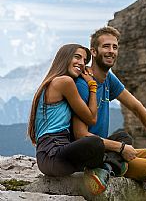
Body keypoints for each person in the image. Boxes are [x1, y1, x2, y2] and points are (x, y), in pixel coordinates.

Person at [73, 26, 146, 201]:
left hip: (108, 152)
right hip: (94, 156)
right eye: (106, 46)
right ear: (93, 51)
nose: (111, 51)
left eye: (115, 47)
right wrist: (121, 148)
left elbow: (137, 107)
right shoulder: (83, 84)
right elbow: (80, 135)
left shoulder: (108, 78)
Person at [27, 43, 112, 195]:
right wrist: (92, 86)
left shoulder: (52, 82)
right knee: (95, 143)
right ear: (65, 58)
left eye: (85, 60)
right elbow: (92, 118)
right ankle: (109, 166)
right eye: (77, 57)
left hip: (59, 154)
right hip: (52, 155)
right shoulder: (64, 82)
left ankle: (106, 166)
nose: (81, 63)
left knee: (122, 137)